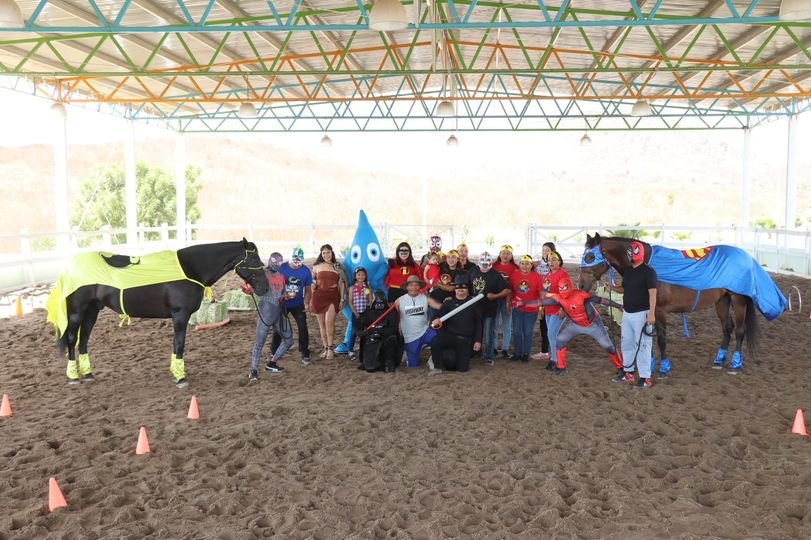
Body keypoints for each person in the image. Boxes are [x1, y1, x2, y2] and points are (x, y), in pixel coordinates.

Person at [538, 274, 623, 375]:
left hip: (593, 324)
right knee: (560, 341)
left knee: (608, 346)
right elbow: (540, 302)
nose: (562, 291)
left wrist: (618, 306)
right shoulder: (559, 298)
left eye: (564, 288)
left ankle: (621, 367)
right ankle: (561, 367)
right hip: (575, 324)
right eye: (560, 288)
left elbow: (601, 300)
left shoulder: (582, 295)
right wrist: (523, 303)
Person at [616, 240, 658, 388]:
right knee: (626, 342)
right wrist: (614, 288)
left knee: (643, 345)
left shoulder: (648, 272)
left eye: (632, 252)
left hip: (642, 313)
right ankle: (628, 372)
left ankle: (645, 377)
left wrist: (652, 314)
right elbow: (625, 289)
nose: (630, 255)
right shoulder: (628, 271)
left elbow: (653, 294)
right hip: (627, 312)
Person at [248, 252, 293, 381]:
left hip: (278, 312)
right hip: (265, 313)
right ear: (270, 260)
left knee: (289, 340)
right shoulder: (263, 274)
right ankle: (253, 370)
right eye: (275, 260)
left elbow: (282, 292)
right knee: (259, 343)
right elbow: (254, 288)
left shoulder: (281, 276)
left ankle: (271, 362)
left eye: (279, 261)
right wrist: (248, 290)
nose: (277, 263)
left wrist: (286, 296)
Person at [429, 274, 482, 373]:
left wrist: (478, 341)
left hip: (466, 340)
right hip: (450, 337)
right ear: (454, 289)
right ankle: (437, 366)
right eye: (457, 287)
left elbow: (479, 323)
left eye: (463, 286)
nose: (460, 289)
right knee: (435, 341)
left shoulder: (474, 302)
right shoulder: (448, 302)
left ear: (467, 288)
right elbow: (435, 319)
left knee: (462, 369)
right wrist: (435, 321)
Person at [271, 246, 312, 365]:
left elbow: (308, 289)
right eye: (295, 260)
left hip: (298, 304)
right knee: (278, 328)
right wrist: (281, 296)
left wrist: (307, 302)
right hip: (282, 303)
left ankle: (304, 352)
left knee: (302, 326)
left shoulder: (306, 271)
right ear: (290, 258)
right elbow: (273, 285)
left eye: (299, 261)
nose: (297, 264)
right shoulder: (281, 268)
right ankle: (274, 351)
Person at [469, 251, 510, 365]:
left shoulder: (495, 275)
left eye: (487, 264)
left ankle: (489, 355)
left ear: (490, 263)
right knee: (476, 331)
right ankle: (476, 352)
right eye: (483, 263)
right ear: (479, 262)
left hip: (489, 308)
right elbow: (466, 285)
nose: (485, 266)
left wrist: (495, 296)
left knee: (488, 332)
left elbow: (507, 290)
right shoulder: (472, 271)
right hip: (474, 308)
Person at [397, 275, 443, 368]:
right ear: (407, 287)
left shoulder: (425, 298)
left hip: (425, 332)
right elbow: (391, 315)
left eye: (416, 285)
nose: (413, 287)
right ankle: (407, 352)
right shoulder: (399, 301)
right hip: (410, 337)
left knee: (440, 339)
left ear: (419, 287)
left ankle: (433, 358)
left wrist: (451, 303)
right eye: (411, 285)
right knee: (413, 366)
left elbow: (441, 307)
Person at [311, 244, 346, 360]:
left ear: (332, 253)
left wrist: (342, 299)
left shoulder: (337, 266)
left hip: (332, 296)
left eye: (328, 252)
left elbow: (342, 284)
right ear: (321, 254)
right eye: (324, 253)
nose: (326, 255)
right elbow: (312, 281)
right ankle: (325, 348)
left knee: (329, 322)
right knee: (321, 325)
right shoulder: (316, 266)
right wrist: (312, 285)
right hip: (319, 296)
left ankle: (331, 348)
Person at [509, 254, 543, 362]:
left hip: (531, 310)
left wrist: (541, 309)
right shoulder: (514, 276)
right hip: (517, 309)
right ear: (519, 265)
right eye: (522, 264)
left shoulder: (537, 277)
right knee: (517, 331)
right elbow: (511, 291)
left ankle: (525, 354)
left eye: (527, 264)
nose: (524, 266)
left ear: (531, 265)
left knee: (528, 332)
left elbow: (541, 294)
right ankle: (517, 353)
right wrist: (509, 303)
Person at [358, 290, 400, 372]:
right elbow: (360, 326)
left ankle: (389, 361)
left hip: (386, 335)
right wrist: (365, 332)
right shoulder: (368, 312)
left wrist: (381, 332)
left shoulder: (391, 311)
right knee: (370, 367)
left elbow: (393, 328)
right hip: (371, 335)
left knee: (392, 339)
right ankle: (366, 361)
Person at [542, 251, 568, 369]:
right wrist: (541, 308)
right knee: (552, 334)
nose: (551, 262)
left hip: (558, 309)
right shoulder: (547, 275)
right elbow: (544, 294)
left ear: (559, 261)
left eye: (554, 260)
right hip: (548, 308)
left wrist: (563, 308)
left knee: (551, 334)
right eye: (549, 260)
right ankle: (555, 357)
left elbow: (566, 293)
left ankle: (554, 359)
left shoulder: (563, 274)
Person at [492, 245, 519, 358]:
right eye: (503, 253)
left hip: (508, 299)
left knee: (507, 325)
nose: (505, 255)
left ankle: (505, 348)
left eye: (508, 253)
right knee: (494, 325)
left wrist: (511, 299)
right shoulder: (494, 266)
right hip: (495, 299)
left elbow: (516, 284)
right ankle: (493, 347)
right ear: (500, 254)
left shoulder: (515, 267)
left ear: (511, 256)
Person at [530, 241, 556, 361]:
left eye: (547, 250)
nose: (545, 252)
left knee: (551, 327)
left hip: (551, 300)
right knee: (543, 326)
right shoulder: (538, 266)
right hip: (541, 299)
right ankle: (545, 351)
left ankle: (551, 352)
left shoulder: (554, 265)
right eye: (543, 250)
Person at [347, 266, 373, 358]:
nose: (361, 277)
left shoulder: (366, 287)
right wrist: (355, 313)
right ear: (355, 276)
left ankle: (363, 350)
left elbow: (369, 299)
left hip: (365, 313)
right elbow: (350, 302)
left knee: (365, 331)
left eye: (363, 275)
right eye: (358, 275)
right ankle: (350, 350)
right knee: (354, 332)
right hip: (356, 313)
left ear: (365, 276)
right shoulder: (352, 288)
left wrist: (369, 308)